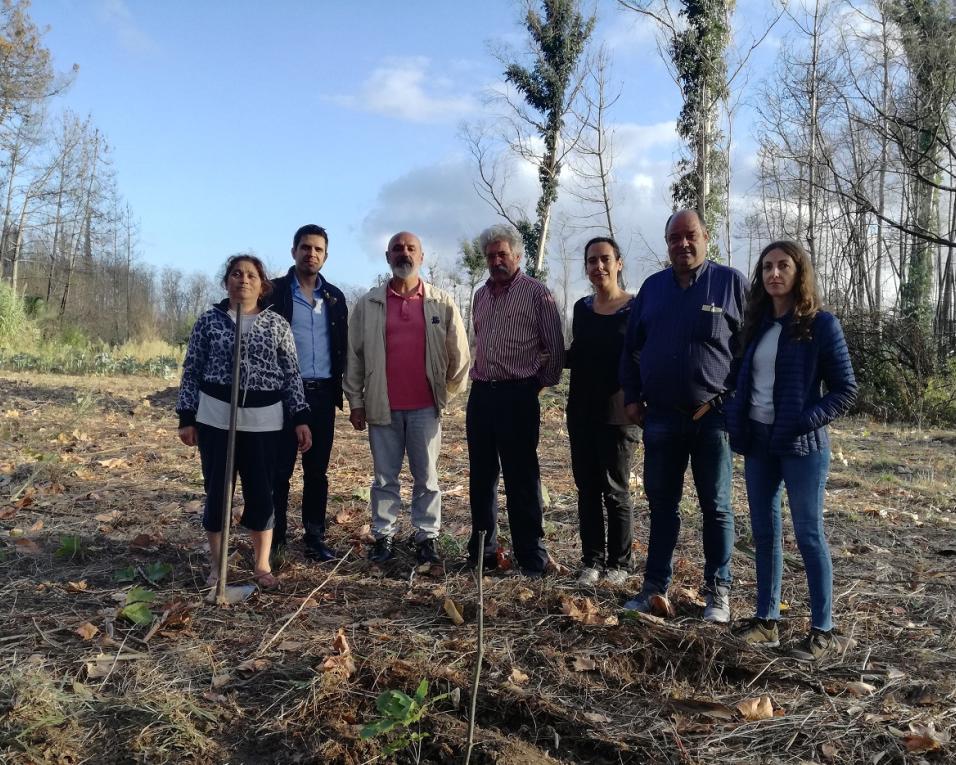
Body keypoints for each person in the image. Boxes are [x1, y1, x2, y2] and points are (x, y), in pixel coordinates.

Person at [726, 240, 857, 660]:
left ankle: (823, 630)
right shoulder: (758, 323)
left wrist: (802, 420)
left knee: (808, 535)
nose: (774, 274)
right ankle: (768, 622)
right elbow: (741, 382)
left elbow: (845, 390)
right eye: (767, 267)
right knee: (764, 534)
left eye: (783, 266)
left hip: (802, 446)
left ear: (799, 273)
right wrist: (736, 417)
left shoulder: (821, 325)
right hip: (760, 444)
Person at [620, 209, 746, 622]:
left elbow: (749, 353)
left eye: (690, 236)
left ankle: (718, 593)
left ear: (706, 238)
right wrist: (633, 397)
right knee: (662, 507)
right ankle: (654, 587)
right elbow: (631, 350)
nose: (682, 244)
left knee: (716, 507)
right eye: (674, 238)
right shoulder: (652, 289)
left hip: (712, 417)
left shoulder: (730, 284)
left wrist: (733, 402)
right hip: (661, 419)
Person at [176, 254, 312, 589]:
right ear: (227, 282)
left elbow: (291, 373)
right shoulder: (209, 321)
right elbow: (191, 369)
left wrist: (300, 417)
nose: (244, 280)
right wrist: (186, 416)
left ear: (262, 285)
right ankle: (217, 567)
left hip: (264, 421)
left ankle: (261, 565)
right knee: (218, 491)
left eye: (251, 275)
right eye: (237, 274)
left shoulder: (277, 324)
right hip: (215, 417)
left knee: (261, 492)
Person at [344, 232, 470, 564]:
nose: (404, 254)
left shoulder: (440, 302)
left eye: (410, 248)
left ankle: (427, 537)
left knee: (427, 478)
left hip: (425, 409)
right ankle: (383, 535)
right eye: (398, 249)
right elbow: (354, 356)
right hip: (381, 407)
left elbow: (460, 355)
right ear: (387, 257)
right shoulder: (369, 304)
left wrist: (444, 394)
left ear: (422, 256)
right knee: (384, 477)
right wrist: (356, 401)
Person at [467, 223, 565, 577]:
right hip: (481, 395)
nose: (496, 261)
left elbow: (554, 349)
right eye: (491, 256)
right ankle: (483, 552)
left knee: (521, 477)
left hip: (518, 394)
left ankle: (531, 556)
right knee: (481, 476)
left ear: (518, 256)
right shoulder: (480, 295)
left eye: (502, 254)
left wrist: (536, 385)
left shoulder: (537, 294)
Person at [265, 224, 348, 561]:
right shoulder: (275, 292)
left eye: (317, 249)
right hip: (284, 393)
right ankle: (276, 538)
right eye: (305, 248)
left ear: (325, 256)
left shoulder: (335, 298)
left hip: (323, 394)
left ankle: (315, 537)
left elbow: (342, 345)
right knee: (279, 470)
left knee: (317, 471)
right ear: (293, 251)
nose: (310, 254)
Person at [566, 237, 639, 587]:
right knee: (587, 489)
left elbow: (644, 357)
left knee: (616, 490)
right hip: (581, 410)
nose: (599, 267)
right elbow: (578, 353)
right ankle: (592, 560)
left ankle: (620, 563)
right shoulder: (582, 308)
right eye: (592, 260)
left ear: (619, 263)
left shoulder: (635, 308)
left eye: (605, 259)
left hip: (620, 412)